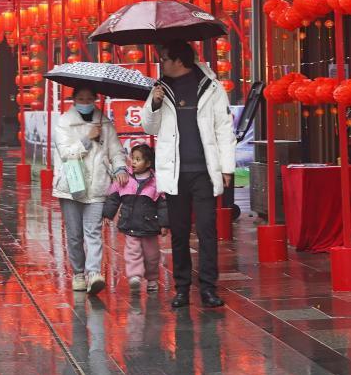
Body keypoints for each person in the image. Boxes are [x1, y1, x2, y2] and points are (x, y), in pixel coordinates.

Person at [141, 40, 236, 309]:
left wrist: (226, 167)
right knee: (179, 232)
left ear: (179, 60)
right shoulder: (160, 88)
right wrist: (154, 104)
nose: (161, 63)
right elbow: (149, 126)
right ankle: (182, 288)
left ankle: (208, 288)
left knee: (207, 230)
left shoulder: (210, 86)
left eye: (164, 58)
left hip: (204, 170)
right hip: (175, 172)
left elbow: (224, 128)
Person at [53, 86, 128, 295]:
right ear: (73, 100)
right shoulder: (64, 122)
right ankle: (78, 273)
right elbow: (66, 153)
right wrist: (88, 138)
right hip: (71, 186)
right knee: (74, 235)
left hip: (97, 186)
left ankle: (94, 273)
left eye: (88, 99)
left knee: (93, 232)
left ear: (95, 99)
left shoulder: (105, 123)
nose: (85, 102)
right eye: (81, 99)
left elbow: (116, 151)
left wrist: (120, 167)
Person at [103, 143, 169, 293]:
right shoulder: (125, 178)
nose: (133, 162)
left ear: (148, 163)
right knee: (132, 252)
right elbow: (114, 198)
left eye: (138, 159)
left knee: (152, 256)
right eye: (132, 158)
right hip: (130, 224)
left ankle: (152, 279)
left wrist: (164, 224)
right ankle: (134, 277)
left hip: (150, 227)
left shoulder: (156, 181)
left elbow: (163, 205)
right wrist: (108, 214)